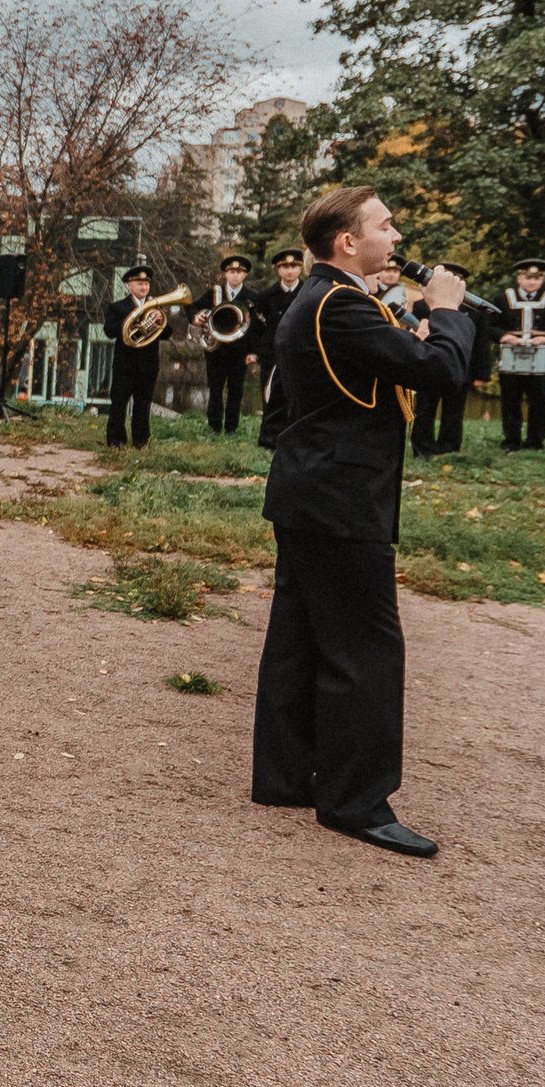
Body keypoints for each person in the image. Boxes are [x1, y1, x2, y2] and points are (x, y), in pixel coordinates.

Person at [252, 185, 474, 858]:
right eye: (385, 224)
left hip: (311, 494)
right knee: (366, 651)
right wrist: (449, 313)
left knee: (301, 640)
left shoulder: (321, 298)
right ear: (348, 241)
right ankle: (356, 801)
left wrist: (413, 319)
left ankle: (288, 776)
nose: (397, 235)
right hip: (343, 501)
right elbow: (441, 372)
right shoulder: (342, 304)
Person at [493, 260, 545, 451]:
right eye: (528, 277)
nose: (532, 282)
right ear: (519, 278)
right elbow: (490, 325)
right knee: (511, 400)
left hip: (541, 358)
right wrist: (504, 335)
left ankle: (535, 441)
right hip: (511, 356)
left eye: (537, 278)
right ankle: (511, 440)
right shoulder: (503, 299)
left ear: (542, 279)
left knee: (539, 401)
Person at [408, 262, 478, 458]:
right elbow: (415, 333)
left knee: (454, 410)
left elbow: (480, 344)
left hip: (462, 365)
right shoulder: (422, 305)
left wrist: (480, 373)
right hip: (429, 362)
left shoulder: (473, 309)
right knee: (424, 408)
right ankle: (422, 447)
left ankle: (449, 445)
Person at [102, 265, 167, 449]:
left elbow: (167, 333)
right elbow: (109, 330)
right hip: (125, 364)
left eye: (146, 283)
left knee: (143, 405)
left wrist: (161, 321)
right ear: (129, 285)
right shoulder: (117, 307)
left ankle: (141, 441)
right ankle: (116, 441)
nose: (144, 287)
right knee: (119, 404)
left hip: (148, 365)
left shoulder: (156, 309)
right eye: (139, 283)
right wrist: (132, 320)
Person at [193, 255, 259, 435]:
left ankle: (231, 428)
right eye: (231, 272)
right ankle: (214, 426)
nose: (235, 275)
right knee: (215, 389)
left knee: (236, 391)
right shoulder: (214, 293)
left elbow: (256, 328)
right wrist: (196, 315)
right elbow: (193, 307)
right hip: (216, 351)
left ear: (245, 275)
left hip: (240, 352)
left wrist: (253, 351)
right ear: (225, 274)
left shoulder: (252, 297)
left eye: (239, 272)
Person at [251, 248, 304, 450]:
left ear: (300, 269)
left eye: (293, 266)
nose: (289, 271)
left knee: (297, 397)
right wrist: (256, 352)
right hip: (272, 355)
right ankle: (268, 440)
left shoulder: (308, 293)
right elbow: (257, 328)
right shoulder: (265, 296)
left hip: (299, 355)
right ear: (278, 270)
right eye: (285, 267)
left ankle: (294, 439)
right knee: (270, 396)